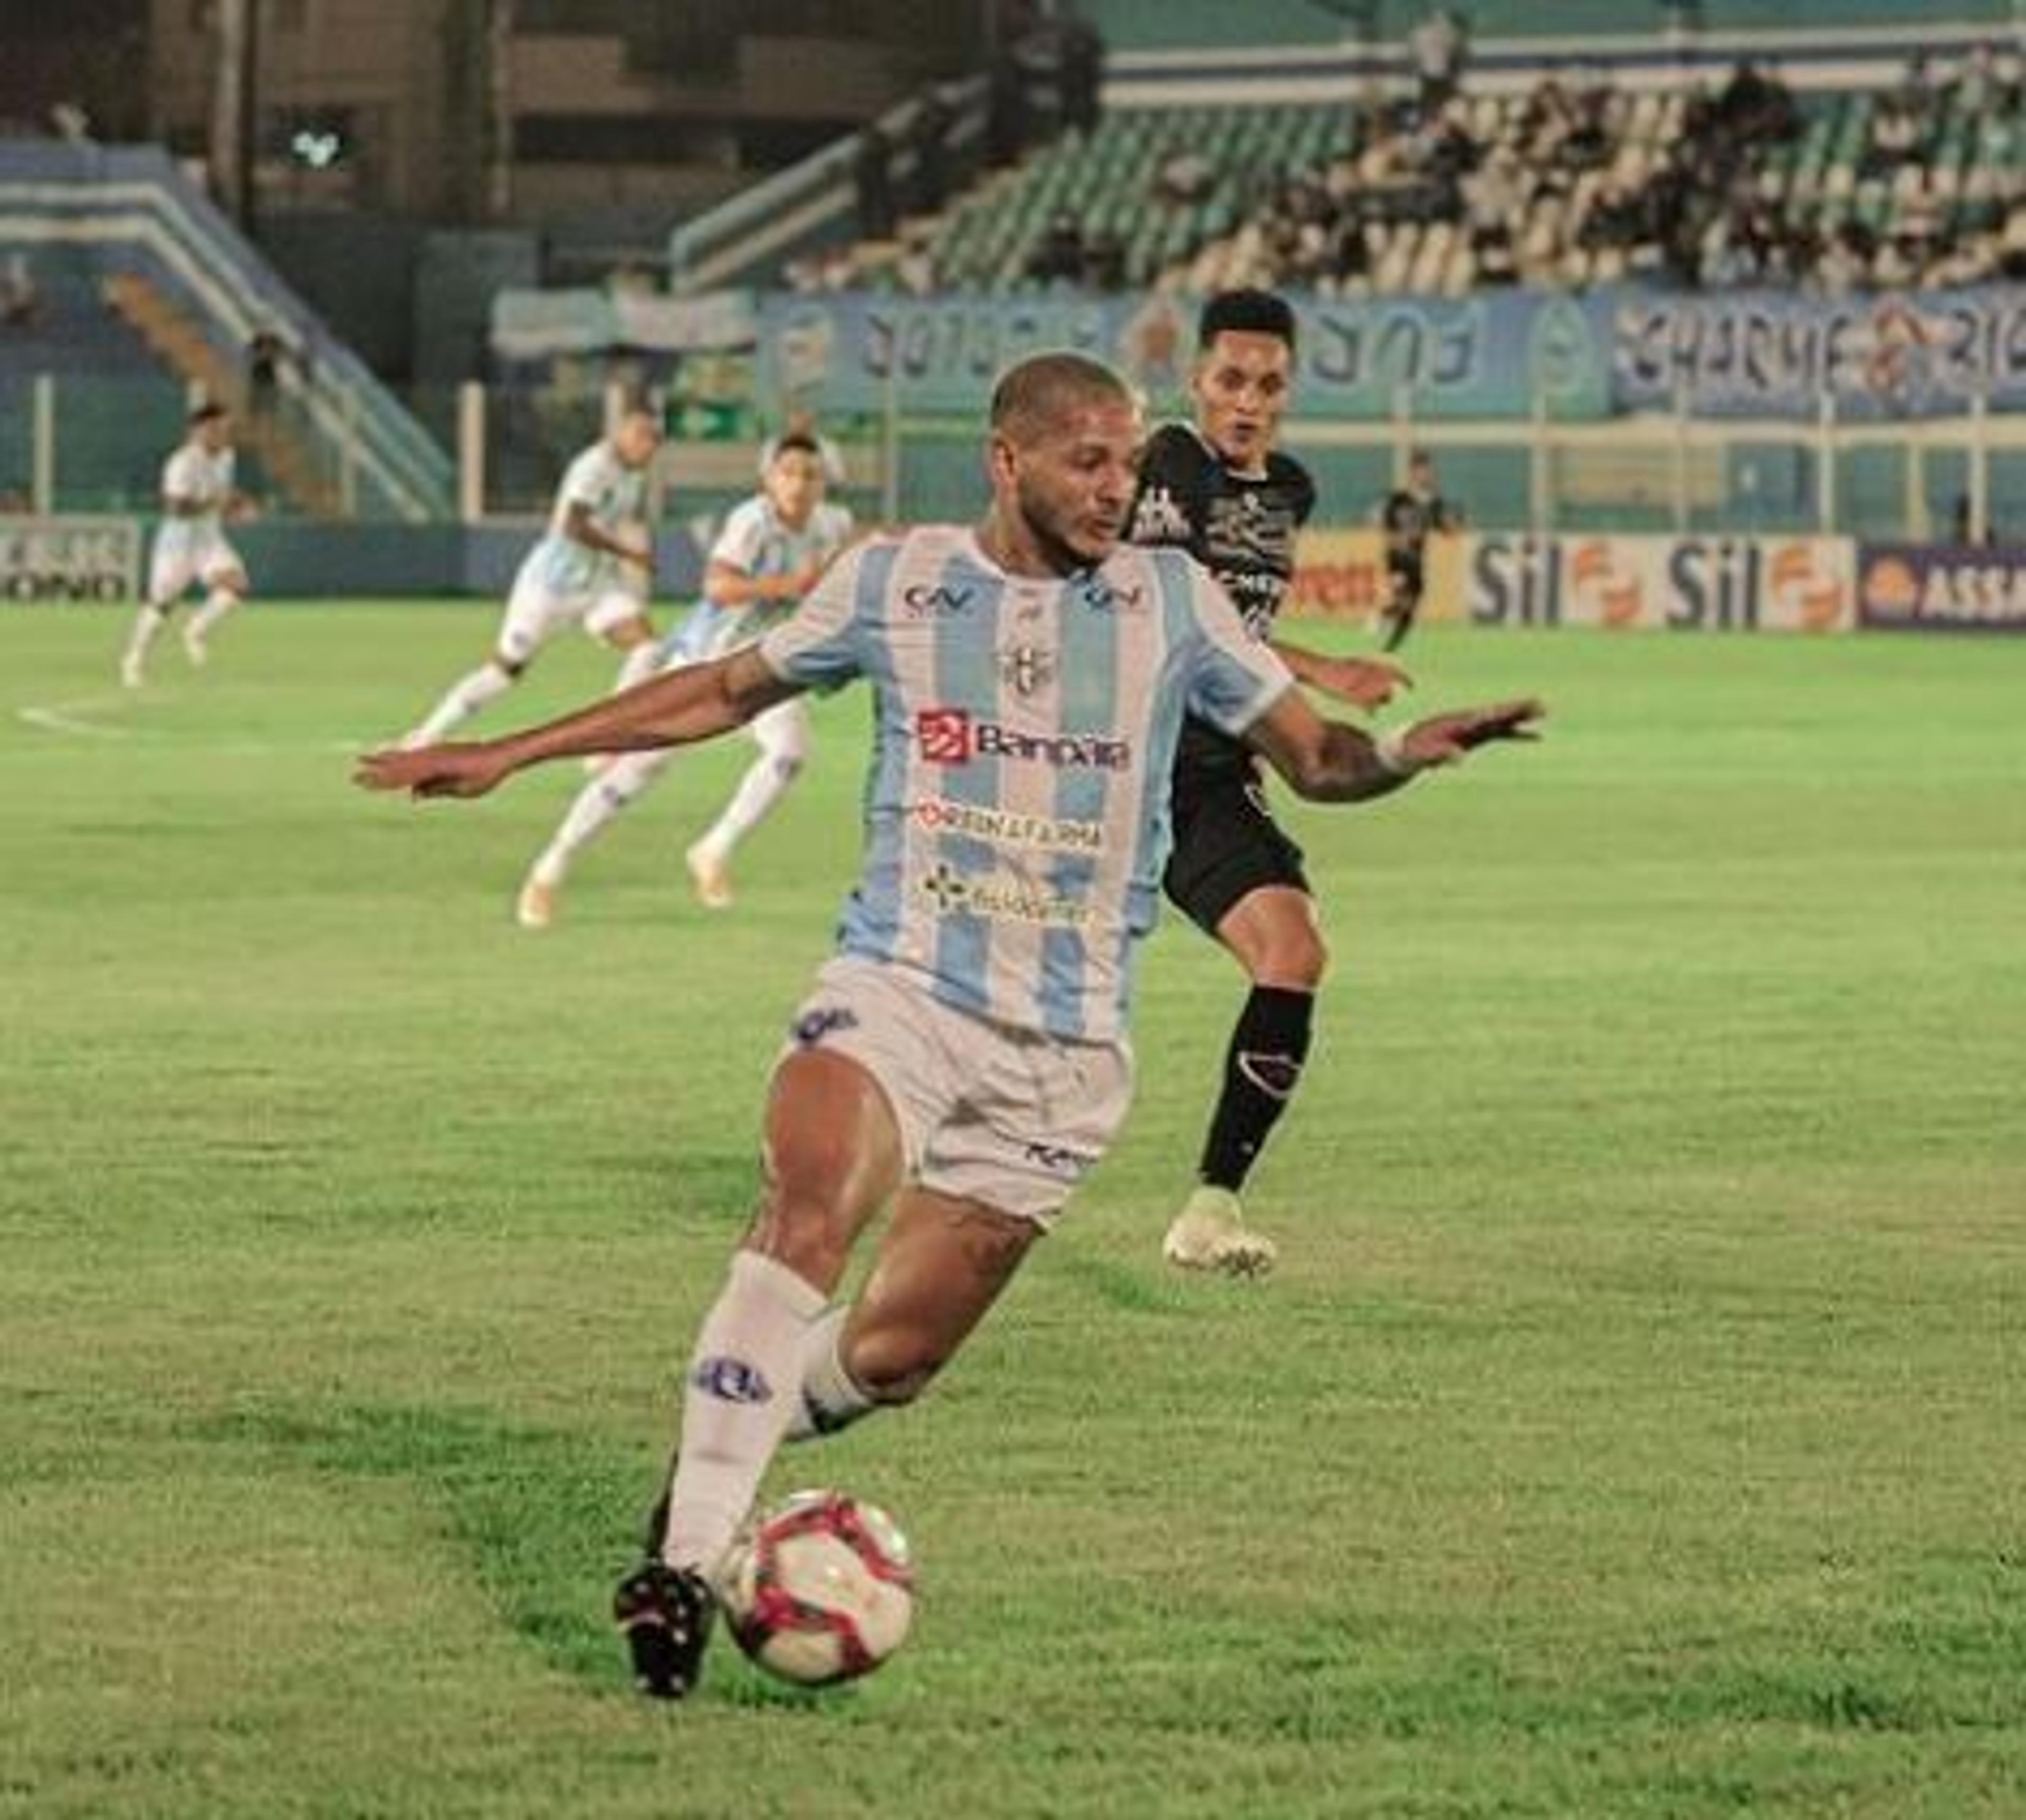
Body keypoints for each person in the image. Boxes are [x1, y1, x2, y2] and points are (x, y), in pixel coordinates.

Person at [355, 351, 1543, 1702]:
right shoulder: (896, 580)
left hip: (1066, 1049)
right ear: (1007, 459)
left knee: (890, 1356)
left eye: (1132, 463)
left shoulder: (1173, 602)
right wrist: (511, 750)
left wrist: (1401, 756)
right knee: (807, 1205)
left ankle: (716, 1455)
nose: (1121, 488)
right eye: (1087, 462)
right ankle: (681, 1563)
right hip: (900, 986)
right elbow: (724, 687)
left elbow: (1318, 757)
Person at [1126, 289, 1410, 1276]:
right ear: (1196, 382)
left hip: (1208, 766)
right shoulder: (1170, 462)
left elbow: (1230, 631)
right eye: (1231, 380)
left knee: (1292, 948)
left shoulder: (1290, 489)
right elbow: (1169, 612)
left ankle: (1210, 1207)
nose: (1248, 400)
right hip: (1111, 759)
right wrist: (1320, 669)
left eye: (1269, 384)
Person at [514, 433, 856, 929]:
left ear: (825, 482)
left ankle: (712, 850)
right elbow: (717, 585)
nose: (799, 483)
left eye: (810, 474)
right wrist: (785, 587)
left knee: (789, 753)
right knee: (635, 774)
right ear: (769, 479)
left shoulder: (833, 524)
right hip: (706, 664)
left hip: (765, 668)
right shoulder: (751, 522)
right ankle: (549, 868)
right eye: (788, 472)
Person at [397, 409, 662, 748]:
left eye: (655, 443)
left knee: (648, 646)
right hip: (550, 586)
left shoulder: (634, 475)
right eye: (646, 440)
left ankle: (614, 737)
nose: (651, 450)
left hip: (596, 587)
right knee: (505, 670)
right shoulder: (593, 467)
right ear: (625, 435)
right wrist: (629, 555)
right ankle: (426, 736)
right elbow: (573, 525)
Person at [119, 403, 254, 688]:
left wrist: (237, 506)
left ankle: (195, 630)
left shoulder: (227, 458)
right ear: (199, 431)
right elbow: (175, 507)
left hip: (208, 540)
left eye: (226, 429)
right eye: (217, 429)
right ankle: (134, 660)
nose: (223, 435)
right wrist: (216, 504)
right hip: (178, 545)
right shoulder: (182, 463)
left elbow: (222, 496)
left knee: (236, 585)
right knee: (161, 606)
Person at [1378, 450, 1461, 653]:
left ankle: (1389, 646)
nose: (1426, 475)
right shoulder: (1399, 499)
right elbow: (1388, 529)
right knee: (1403, 595)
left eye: (1428, 471)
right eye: (1422, 471)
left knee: (1410, 608)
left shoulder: (1433, 502)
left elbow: (1446, 529)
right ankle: (1386, 618)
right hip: (1398, 558)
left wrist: (1452, 524)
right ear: (1413, 473)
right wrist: (1396, 544)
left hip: (1416, 560)